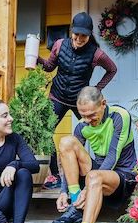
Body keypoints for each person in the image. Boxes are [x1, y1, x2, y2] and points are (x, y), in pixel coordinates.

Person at [48, 87, 137, 223]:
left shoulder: (120, 116)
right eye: (83, 115)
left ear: (103, 104)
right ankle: (76, 207)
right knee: (66, 142)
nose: (87, 120)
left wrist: (88, 188)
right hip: (96, 175)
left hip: (122, 175)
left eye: (91, 115)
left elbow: (113, 155)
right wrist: (64, 191)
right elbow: (69, 159)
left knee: (94, 177)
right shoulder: (82, 125)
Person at [37, 11, 118, 190]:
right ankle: (56, 176)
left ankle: (101, 172)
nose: (79, 39)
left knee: (97, 131)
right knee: (45, 132)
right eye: (77, 34)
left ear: (89, 35)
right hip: (57, 97)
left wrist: (96, 89)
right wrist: (36, 58)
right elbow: (49, 67)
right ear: (71, 31)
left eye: (84, 36)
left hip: (79, 101)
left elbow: (112, 69)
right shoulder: (59, 45)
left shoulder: (96, 54)